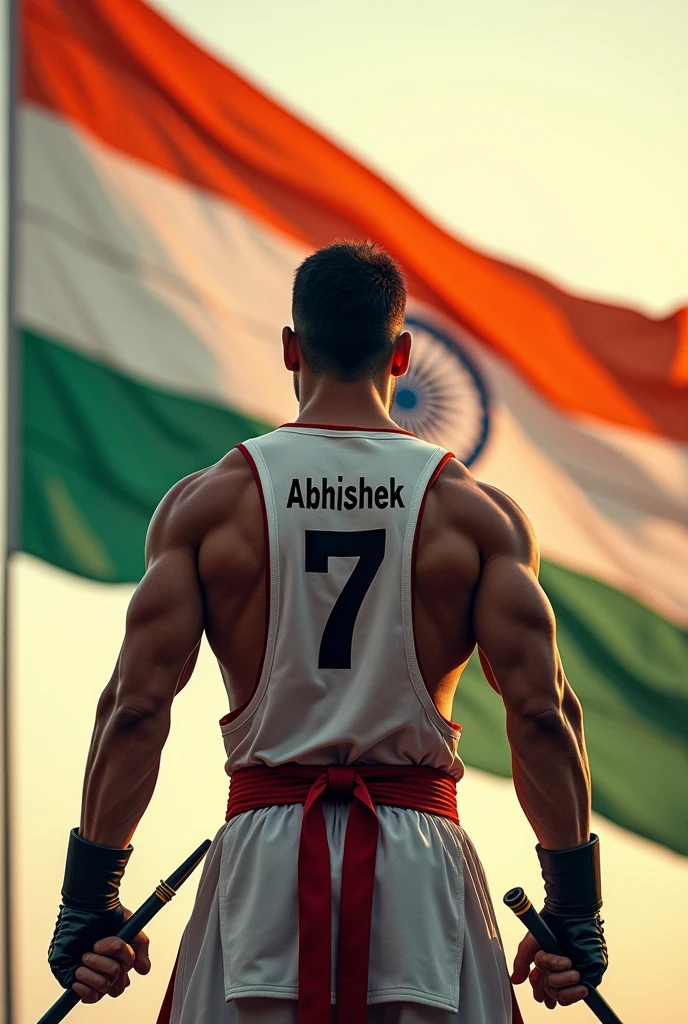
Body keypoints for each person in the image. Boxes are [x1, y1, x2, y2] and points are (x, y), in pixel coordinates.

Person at [48, 241, 607, 1023]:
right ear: (403, 355)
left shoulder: (208, 505)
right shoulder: (478, 514)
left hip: (262, 865)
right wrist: (574, 916)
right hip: (421, 874)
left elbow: (134, 708)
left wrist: (89, 902)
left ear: (290, 348)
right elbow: (543, 715)